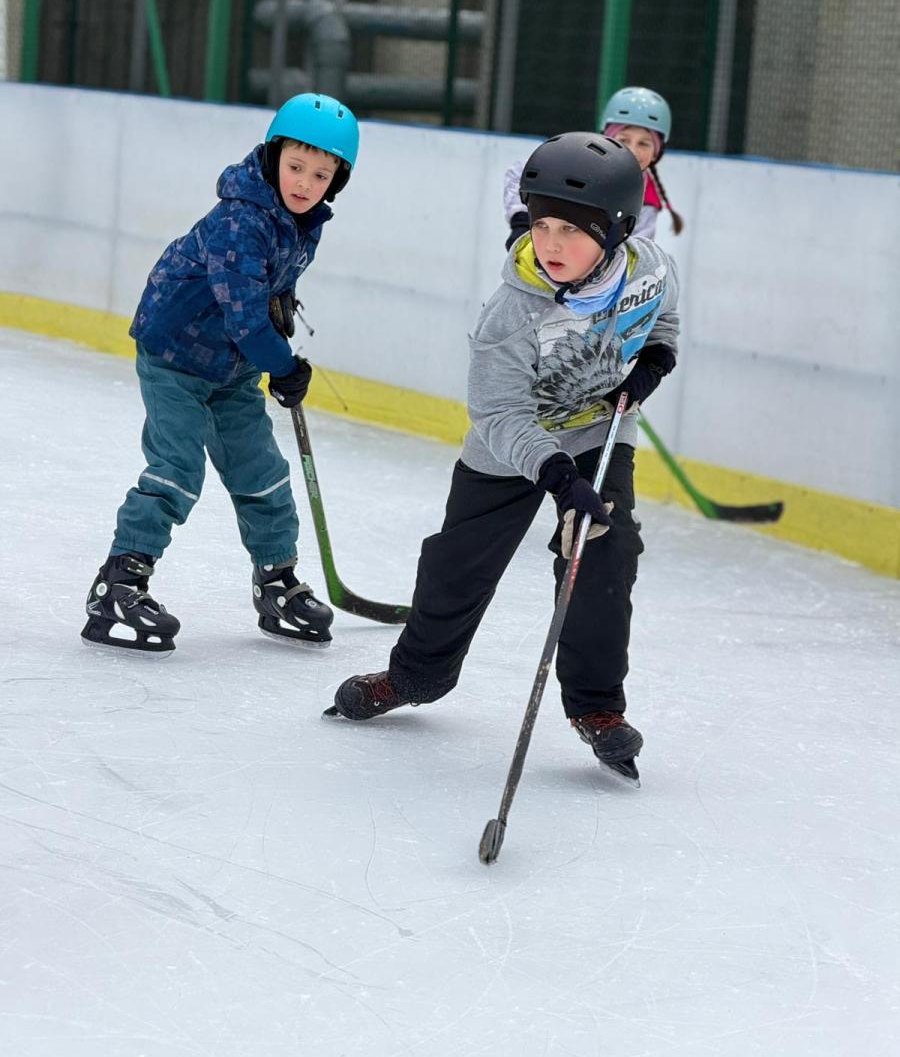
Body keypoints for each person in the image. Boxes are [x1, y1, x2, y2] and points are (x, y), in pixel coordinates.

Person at [328, 132, 679, 780]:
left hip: (598, 430)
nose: (550, 244)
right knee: (456, 566)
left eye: (571, 231)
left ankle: (596, 707)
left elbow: (663, 320)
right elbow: (497, 414)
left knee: (604, 550)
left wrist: (654, 362)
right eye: (542, 224)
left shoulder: (651, 268)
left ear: (619, 231)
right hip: (509, 447)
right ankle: (415, 676)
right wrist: (555, 476)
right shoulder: (512, 312)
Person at [81, 93, 359, 653]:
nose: (305, 183)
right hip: (175, 357)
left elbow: (270, 291)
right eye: (296, 166)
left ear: (337, 181)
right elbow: (243, 312)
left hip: (230, 366)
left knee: (263, 471)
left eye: (321, 174)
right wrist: (283, 365)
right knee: (177, 468)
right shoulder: (241, 219)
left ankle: (276, 579)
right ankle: (119, 582)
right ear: (273, 155)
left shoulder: (303, 222)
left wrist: (282, 312)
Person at [503, 86, 683, 250]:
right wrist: (521, 223)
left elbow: (636, 252)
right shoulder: (579, 158)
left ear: (656, 153)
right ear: (608, 137)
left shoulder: (648, 201)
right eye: (624, 140)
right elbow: (520, 172)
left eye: (644, 143)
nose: (633, 150)